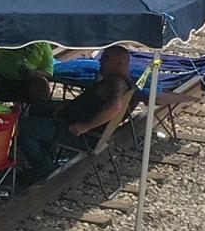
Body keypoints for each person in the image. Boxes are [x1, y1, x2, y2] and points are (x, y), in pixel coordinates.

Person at [18, 44, 138, 179]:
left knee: (22, 127)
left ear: (120, 62)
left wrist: (86, 126)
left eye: (106, 58)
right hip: (75, 124)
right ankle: (46, 159)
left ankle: (45, 171)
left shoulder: (115, 83)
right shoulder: (127, 83)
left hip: (79, 133)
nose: (100, 61)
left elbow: (114, 107)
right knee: (38, 107)